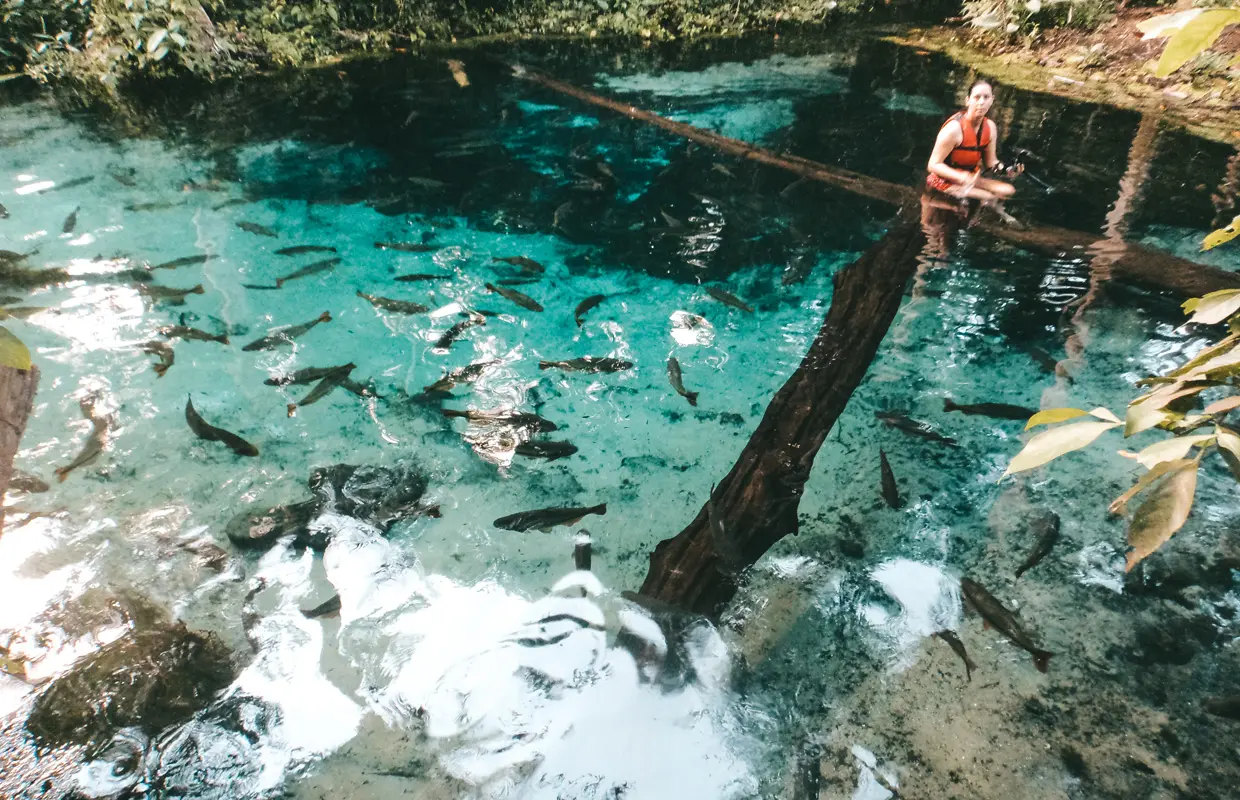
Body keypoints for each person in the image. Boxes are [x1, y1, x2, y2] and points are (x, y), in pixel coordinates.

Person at [926, 80, 1022, 202]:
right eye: (977, 97)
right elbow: (933, 165)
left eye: (986, 97)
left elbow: (991, 162)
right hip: (942, 180)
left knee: (1008, 190)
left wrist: (1007, 169)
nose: (982, 102)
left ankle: (994, 212)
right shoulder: (953, 129)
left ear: (992, 100)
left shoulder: (990, 127)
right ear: (968, 100)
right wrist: (961, 176)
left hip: (971, 177)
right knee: (989, 197)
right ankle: (1000, 215)